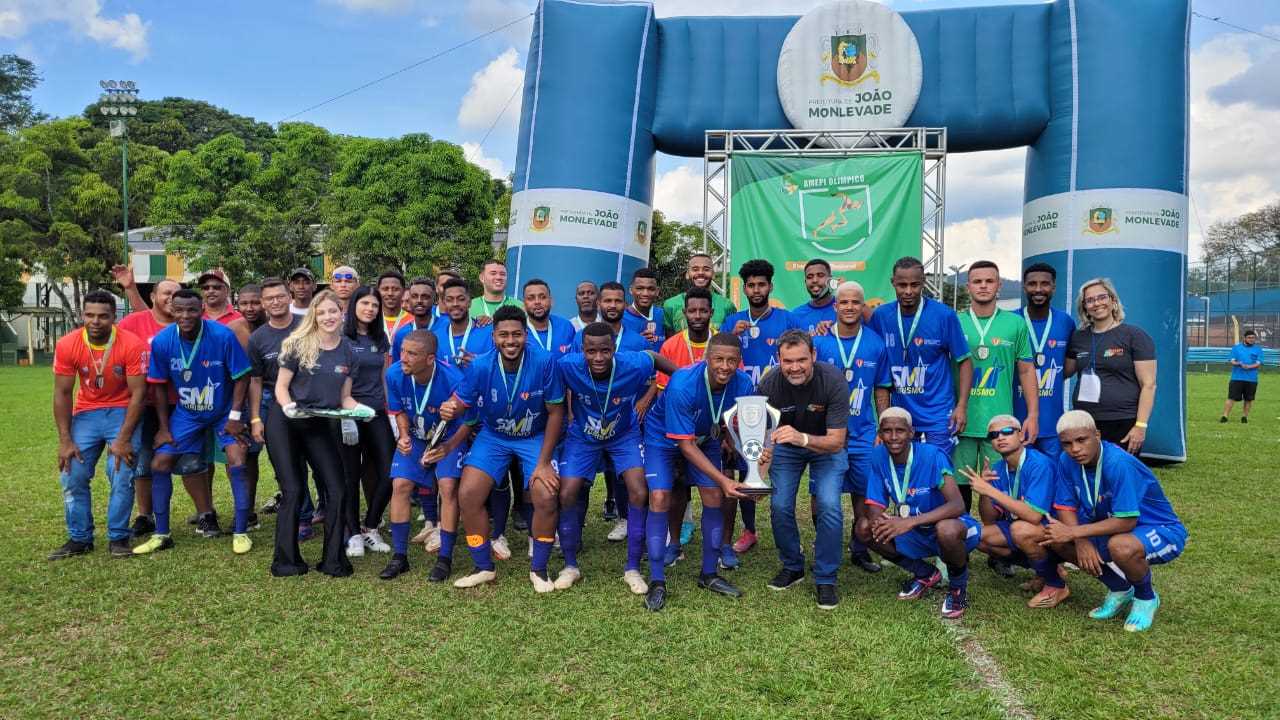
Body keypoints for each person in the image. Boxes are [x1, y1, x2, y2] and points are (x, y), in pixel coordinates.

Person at [442, 306, 566, 590]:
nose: (510, 341)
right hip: (494, 435)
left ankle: (540, 569)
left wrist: (544, 462)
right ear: (494, 337)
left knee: (545, 494)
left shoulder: (545, 361)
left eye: (516, 335)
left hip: (533, 436)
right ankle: (483, 566)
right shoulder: (481, 365)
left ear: (525, 335)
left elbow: (557, 413)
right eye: (503, 335)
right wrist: (451, 408)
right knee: (469, 494)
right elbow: (462, 401)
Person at [554, 322, 676, 591]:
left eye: (605, 351)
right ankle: (570, 565)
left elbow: (653, 358)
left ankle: (632, 568)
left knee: (638, 490)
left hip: (624, 434)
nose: (598, 358)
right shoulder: (567, 365)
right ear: (582, 350)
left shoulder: (632, 364)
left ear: (614, 349)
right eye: (591, 351)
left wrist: (681, 377)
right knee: (566, 493)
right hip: (583, 436)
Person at [133, 289, 253, 556]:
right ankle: (162, 533)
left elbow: (243, 377)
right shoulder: (164, 340)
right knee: (159, 463)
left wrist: (235, 416)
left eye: (191, 310)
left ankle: (241, 531)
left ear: (202, 310)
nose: (185, 315)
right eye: (179, 310)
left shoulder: (222, 336)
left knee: (237, 459)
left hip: (223, 412)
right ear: (171, 311)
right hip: (187, 413)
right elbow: (160, 387)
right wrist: (164, 428)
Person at [1043, 410, 1187, 632]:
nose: (1075, 449)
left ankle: (1146, 597)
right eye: (1067, 443)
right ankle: (1120, 589)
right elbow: (1065, 506)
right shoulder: (1066, 460)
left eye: (1081, 440)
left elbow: (1126, 522)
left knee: (1120, 547)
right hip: (1110, 527)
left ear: (1097, 435)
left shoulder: (1118, 463)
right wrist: (1080, 541)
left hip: (1158, 528)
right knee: (1056, 538)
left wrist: (1075, 533)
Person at [640, 333, 752, 610]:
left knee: (714, 496)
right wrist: (725, 478)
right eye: (718, 359)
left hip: (705, 437)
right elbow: (685, 446)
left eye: (731, 360)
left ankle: (709, 574)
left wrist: (742, 446)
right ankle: (656, 580)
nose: (725, 366)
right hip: (663, 439)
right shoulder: (682, 384)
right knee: (660, 497)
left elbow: (737, 422)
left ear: (739, 361)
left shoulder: (745, 382)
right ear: (706, 358)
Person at [269, 290, 368, 577]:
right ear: (314, 314)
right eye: (322, 312)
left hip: (318, 422)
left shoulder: (349, 351)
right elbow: (280, 387)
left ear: (342, 314)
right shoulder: (298, 344)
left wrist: (359, 410)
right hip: (285, 420)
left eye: (333, 311)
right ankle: (286, 561)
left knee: (338, 488)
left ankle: (333, 559)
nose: (328, 317)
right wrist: (288, 408)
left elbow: (345, 397)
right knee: (293, 490)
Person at [49, 291, 148, 559]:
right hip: (86, 413)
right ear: (83, 315)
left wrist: (124, 438)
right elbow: (62, 393)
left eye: (103, 316)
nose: (95, 321)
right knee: (72, 473)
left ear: (114, 317)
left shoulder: (131, 343)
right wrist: (65, 440)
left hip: (122, 411)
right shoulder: (68, 344)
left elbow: (139, 394)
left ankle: (118, 538)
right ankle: (80, 538)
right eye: (90, 315)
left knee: (121, 471)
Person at [755, 330, 850, 610]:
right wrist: (757, 477)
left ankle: (826, 577)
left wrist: (802, 438)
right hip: (786, 446)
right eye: (788, 361)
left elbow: (836, 441)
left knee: (830, 505)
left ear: (813, 357)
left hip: (825, 447)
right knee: (781, 504)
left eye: (801, 360)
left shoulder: (833, 380)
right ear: (778, 360)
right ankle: (792, 565)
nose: (794, 367)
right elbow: (763, 438)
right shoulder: (769, 384)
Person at [860, 408, 981, 619]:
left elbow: (957, 504)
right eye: (887, 431)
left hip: (950, 526)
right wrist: (878, 520)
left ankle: (957, 588)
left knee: (946, 529)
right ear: (880, 433)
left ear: (911, 432)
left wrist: (909, 522)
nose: (894, 437)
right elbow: (874, 503)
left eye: (900, 430)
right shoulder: (878, 456)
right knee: (864, 527)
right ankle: (925, 574)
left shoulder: (932, 455)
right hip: (915, 530)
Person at [721, 259, 801, 566]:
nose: (756, 290)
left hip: (777, 409)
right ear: (745, 288)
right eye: (751, 285)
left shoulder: (786, 319)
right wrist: (735, 336)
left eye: (761, 284)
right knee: (744, 469)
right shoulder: (734, 322)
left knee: (780, 472)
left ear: (770, 286)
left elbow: (799, 362)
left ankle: (788, 534)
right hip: (742, 409)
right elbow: (717, 361)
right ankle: (749, 530)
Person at [812, 281, 892, 574]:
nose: (849, 307)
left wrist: (883, 426)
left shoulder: (875, 343)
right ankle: (822, 547)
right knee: (821, 495)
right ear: (835, 306)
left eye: (855, 303)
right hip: (826, 434)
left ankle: (860, 548)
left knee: (864, 492)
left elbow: (882, 388)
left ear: (863, 306)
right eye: (843, 302)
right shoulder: (819, 343)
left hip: (863, 433)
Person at [380, 330, 470, 581]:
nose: (403, 358)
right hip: (418, 437)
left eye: (412, 354)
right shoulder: (395, 373)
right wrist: (404, 435)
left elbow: (469, 421)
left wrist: (449, 447)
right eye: (402, 352)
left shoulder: (453, 378)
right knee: (400, 485)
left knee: (448, 486)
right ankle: (400, 556)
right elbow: (399, 410)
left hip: (448, 438)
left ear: (430, 359)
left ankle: (445, 559)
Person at [953, 260, 1038, 515]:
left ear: (999, 286)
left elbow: (1026, 370)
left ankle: (998, 547)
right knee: (960, 487)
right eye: (977, 281)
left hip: (1000, 424)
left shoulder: (1016, 324)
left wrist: (1033, 415)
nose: (983, 286)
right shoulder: (954, 321)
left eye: (989, 281)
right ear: (968, 286)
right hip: (962, 421)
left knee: (998, 487)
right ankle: (958, 546)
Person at [959, 415, 1070, 609]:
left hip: (1059, 531)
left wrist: (990, 490)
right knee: (979, 536)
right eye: (994, 435)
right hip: (1027, 528)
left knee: (1020, 529)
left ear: (1020, 435)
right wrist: (985, 490)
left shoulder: (1039, 464)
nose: (1000, 437)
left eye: (1007, 432)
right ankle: (1046, 571)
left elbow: (1034, 516)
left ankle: (1055, 584)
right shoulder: (998, 468)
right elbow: (989, 519)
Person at [869, 256, 972, 458]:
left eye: (915, 285)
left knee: (938, 470)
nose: (908, 291)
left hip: (938, 412)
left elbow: (965, 361)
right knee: (905, 472)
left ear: (924, 282)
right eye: (902, 285)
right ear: (893, 283)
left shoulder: (944, 315)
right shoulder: (881, 316)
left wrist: (961, 406)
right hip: (901, 414)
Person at [573, 280, 650, 541]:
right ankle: (577, 526)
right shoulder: (582, 337)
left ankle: (625, 519)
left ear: (625, 305)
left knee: (623, 471)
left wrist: (643, 402)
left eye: (618, 301)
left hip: (626, 417)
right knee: (582, 477)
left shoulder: (637, 340)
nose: (613, 305)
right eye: (607, 301)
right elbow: (575, 374)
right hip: (589, 419)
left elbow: (655, 378)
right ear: (598, 304)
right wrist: (572, 413)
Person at [117, 276, 182, 537]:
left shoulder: (190, 322)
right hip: (142, 404)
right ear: (153, 296)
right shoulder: (133, 322)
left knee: (193, 462)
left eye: (176, 294)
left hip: (182, 403)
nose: (171, 299)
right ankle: (145, 515)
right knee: (143, 461)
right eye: (165, 293)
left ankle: (206, 513)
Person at [1064, 278, 1156, 453]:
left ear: (1113, 300)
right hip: (1086, 421)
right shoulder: (1078, 337)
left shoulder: (1134, 336)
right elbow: (1064, 372)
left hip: (1122, 421)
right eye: (1089, 300)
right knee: (1088, 476)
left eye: (1101, 297)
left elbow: (1149, 384)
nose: (1096, 303)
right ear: (1084, 307)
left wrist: (1140, 426)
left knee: (1119, 476)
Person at [339, 286, 396, 559]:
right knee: (349, 477)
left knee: (389, 471)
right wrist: (344, 415)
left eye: (375, 305)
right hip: (347, 414)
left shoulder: (380, 337)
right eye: (365, 303)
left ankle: (370, 527)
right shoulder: (341, 337)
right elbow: (335, 379)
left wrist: (392, 410)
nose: (370, 309)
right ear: (354, 305)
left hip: (375, 412)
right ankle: (352, 535)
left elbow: (383, 376)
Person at [247, 278, 301, 522]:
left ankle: (325, 510)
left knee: (319, 461)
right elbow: (255, 381)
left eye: (280, 296)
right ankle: (302, 515)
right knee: (285, 462)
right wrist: (256, 418)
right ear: (262, 304)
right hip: (273, 403)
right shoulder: (258, 338)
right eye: (269, 298)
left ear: (289, 297)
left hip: (308, 399)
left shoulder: (307, 326)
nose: (276, 302)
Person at [1014, 262, 1077, 456]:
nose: (1039, 289)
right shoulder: (1012, 321)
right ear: (1024, 287)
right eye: (1032, 284)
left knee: (1053, 478)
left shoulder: (1065, 322)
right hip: (1016, 419)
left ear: (1054, 287)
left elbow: (1069, 365)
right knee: (1021, 478)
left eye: (1045, 284)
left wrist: (1049, 379)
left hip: (1052, 421)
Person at [662, 252, 737, 334]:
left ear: (713, 274)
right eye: (695, 269)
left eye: (706, 269)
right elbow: (669, 340)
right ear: (687, 274)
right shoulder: (670, 305)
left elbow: (730, 339)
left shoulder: (727, 305)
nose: (700, 273)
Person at [433, 278, 494, 370]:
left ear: (469, 302)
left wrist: (480, 363)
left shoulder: (489, 332)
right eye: (449, 300)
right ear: (444, 304)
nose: (455, 304)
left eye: (461, 299)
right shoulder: (436, 337)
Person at [523, 278, 576, 358]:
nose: (537, 302)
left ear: (551, 301)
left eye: (542, 297)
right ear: (524, 304)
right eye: (531, 298)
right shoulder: (518, 331)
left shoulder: (566, 327)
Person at [199, 269, 251, 346]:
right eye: (206, 288)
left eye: (216, 287)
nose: (210, 291)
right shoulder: (195, 317)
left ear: (227, 291)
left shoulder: (240, 318)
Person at [390, 278, 438, 362]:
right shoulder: (401, 334)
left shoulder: (448, 328)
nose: (419, 301)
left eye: (425, 297)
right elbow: (398, 368)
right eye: (414, 296)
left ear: (434, 299)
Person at [1222, 329, 1262, 423]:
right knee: (1231, 398)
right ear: (1244, 338)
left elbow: (1258, 363)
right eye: (1249, 337)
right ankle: (1225, 416)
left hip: (1251, 379)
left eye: (1253, 338)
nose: (1251, 339)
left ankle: (1244, 417)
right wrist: (1239, 363)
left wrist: (1249, 366)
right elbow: (1232, 361)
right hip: (1237, 378)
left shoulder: (1258, 349)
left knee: (1248, 399)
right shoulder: (1236, 348)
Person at [622, 267, 666, 352]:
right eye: (640, 288)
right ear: (631, 290)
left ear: (657, 291)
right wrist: (637, 342)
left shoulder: (663, 315)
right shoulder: (621, 318)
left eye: (650, 289)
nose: (645, 293)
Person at [790, 258, 837, 335]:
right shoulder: (796, 315)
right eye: (810, 277)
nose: (815, 280)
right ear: (805, 282)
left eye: (820, 275)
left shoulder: (845, 308)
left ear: (830, 279)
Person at [376, 270, 413, 338]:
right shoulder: (371, 319)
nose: (390, 293)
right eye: (385, 289)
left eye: (395, 289)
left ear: (403, 291)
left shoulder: (412, 321)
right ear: (378, 291)